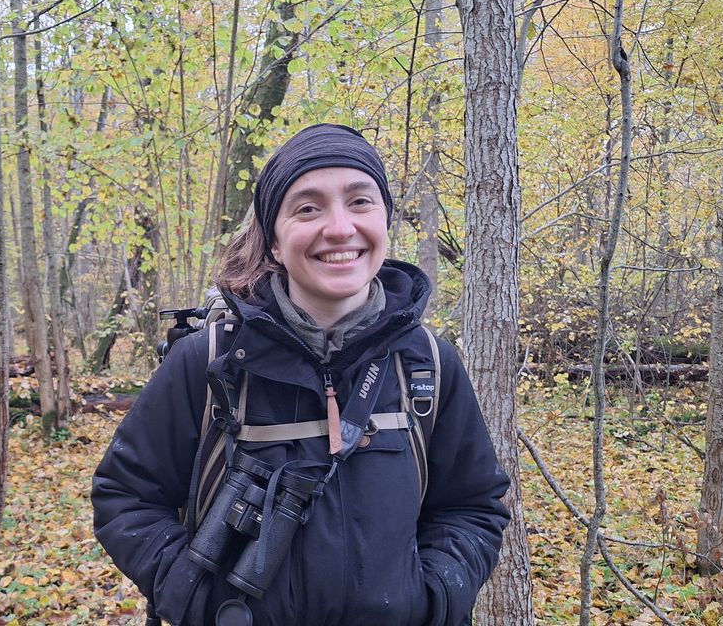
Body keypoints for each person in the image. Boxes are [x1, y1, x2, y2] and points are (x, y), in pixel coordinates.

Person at [92, 124, 510, 625]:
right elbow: (126, 496)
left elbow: (473, 507)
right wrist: (196, 600)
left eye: (360, 201)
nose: (339, 228)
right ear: (272, 241)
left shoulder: (428, 366)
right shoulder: (211, 363)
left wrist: (433, 599)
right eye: (307, 208)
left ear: (385, 220)